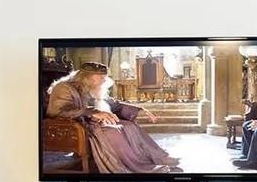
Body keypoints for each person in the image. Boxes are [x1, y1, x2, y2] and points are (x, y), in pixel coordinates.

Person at [45, 62, 182, 173]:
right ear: (86, 77)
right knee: (113, 131)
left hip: (93, 123)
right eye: (100, 77)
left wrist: (139, 109)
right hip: (78, 127)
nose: (104, 80)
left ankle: (159, 157)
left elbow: (114, 104)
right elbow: (58, 111)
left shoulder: (93, 88)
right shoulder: (64, 88)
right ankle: (138, 167)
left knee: (130, 126)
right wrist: (93, 112)